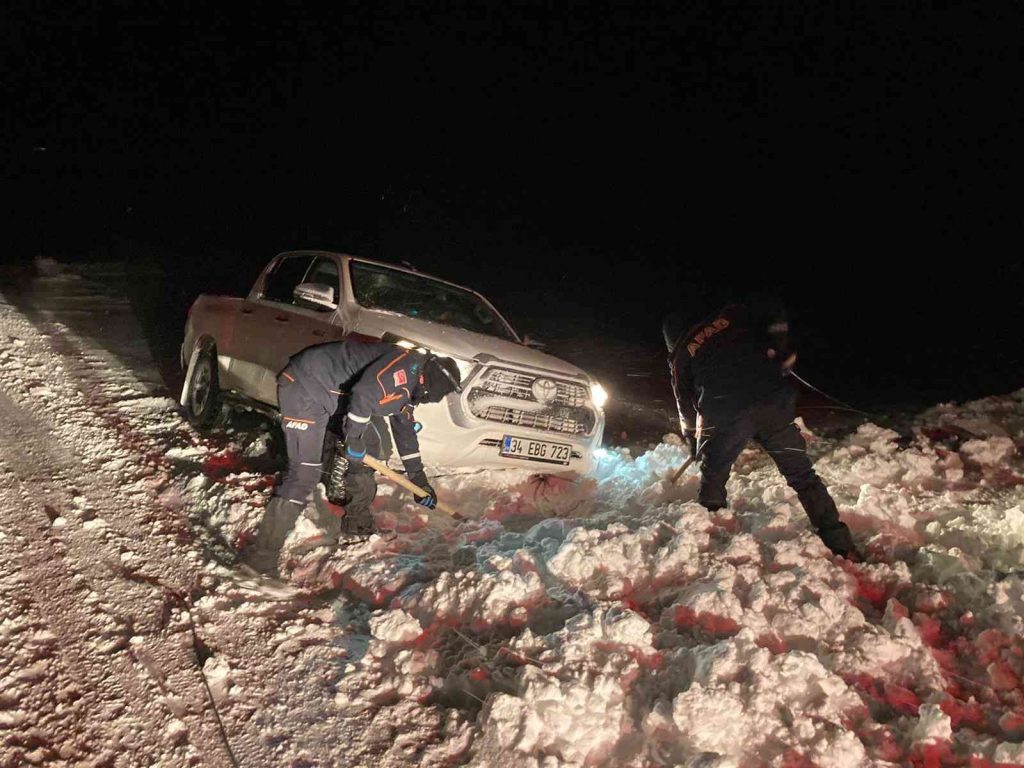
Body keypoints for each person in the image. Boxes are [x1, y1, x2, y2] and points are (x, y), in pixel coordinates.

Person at [242, 340, 462, 576]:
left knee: (372, 444)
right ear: (426, 383)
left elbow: (404, 430)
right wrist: (353, 438)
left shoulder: (412, 381)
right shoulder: (404, 368)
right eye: (433, 396)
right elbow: (364, 394)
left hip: (333, 396)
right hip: (305, 386)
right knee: (304, 474)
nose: (430, 401)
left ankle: (356, 523)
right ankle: (260, 561)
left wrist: (419, 480)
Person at [664, 298, 856, 559]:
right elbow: (774, 310)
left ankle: (708, 545)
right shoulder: (730, 314)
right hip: (773, 402)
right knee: (802, 474)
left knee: (714, 475)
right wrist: (782, 350)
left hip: (725, 413)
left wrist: (692, 438)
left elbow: (684, 406)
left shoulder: (679, 356)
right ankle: (840, 542)